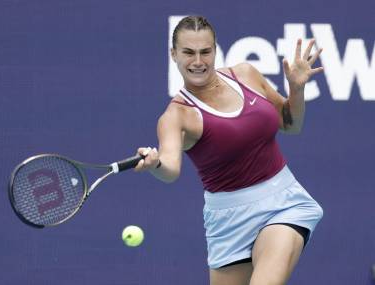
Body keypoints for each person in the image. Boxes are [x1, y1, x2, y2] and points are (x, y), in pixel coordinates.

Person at [135, 15, 324, 285]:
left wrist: (296, 89)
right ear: (173, 54)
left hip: (283, 203)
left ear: (215, 50)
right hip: (228, 222)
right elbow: (170, 169)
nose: (198, 61)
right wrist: (154, 164)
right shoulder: (176, 116)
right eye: (188, 52)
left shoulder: (245, 74)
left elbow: (289, 124)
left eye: (205, 52)